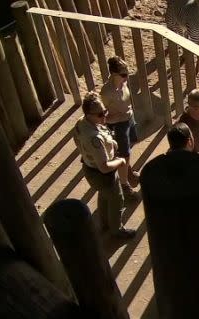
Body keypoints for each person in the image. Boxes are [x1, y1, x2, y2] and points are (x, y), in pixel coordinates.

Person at [73, 92, 137, 239]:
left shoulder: (82, 122)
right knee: (116, 200)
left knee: (104, 195)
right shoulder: (94, 138)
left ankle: (105, 223)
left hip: (90, 169)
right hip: (102, 174)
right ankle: (116, 230)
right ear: (89, 114)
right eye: (100, 114)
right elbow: (104, 167)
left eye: (105, 111)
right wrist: (120, 162)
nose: (104, 116)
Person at [100, 56, 139, 199]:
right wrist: (117, 118)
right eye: (123, 74)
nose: (126, 77)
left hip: (128, 119)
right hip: (118, 125)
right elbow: (101, 118)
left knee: (131, 143)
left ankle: (127, 169)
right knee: (124, 154)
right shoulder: (107, 92)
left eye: (127, 73)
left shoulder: (122, 83)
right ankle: (124, 185)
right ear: (113, 74)